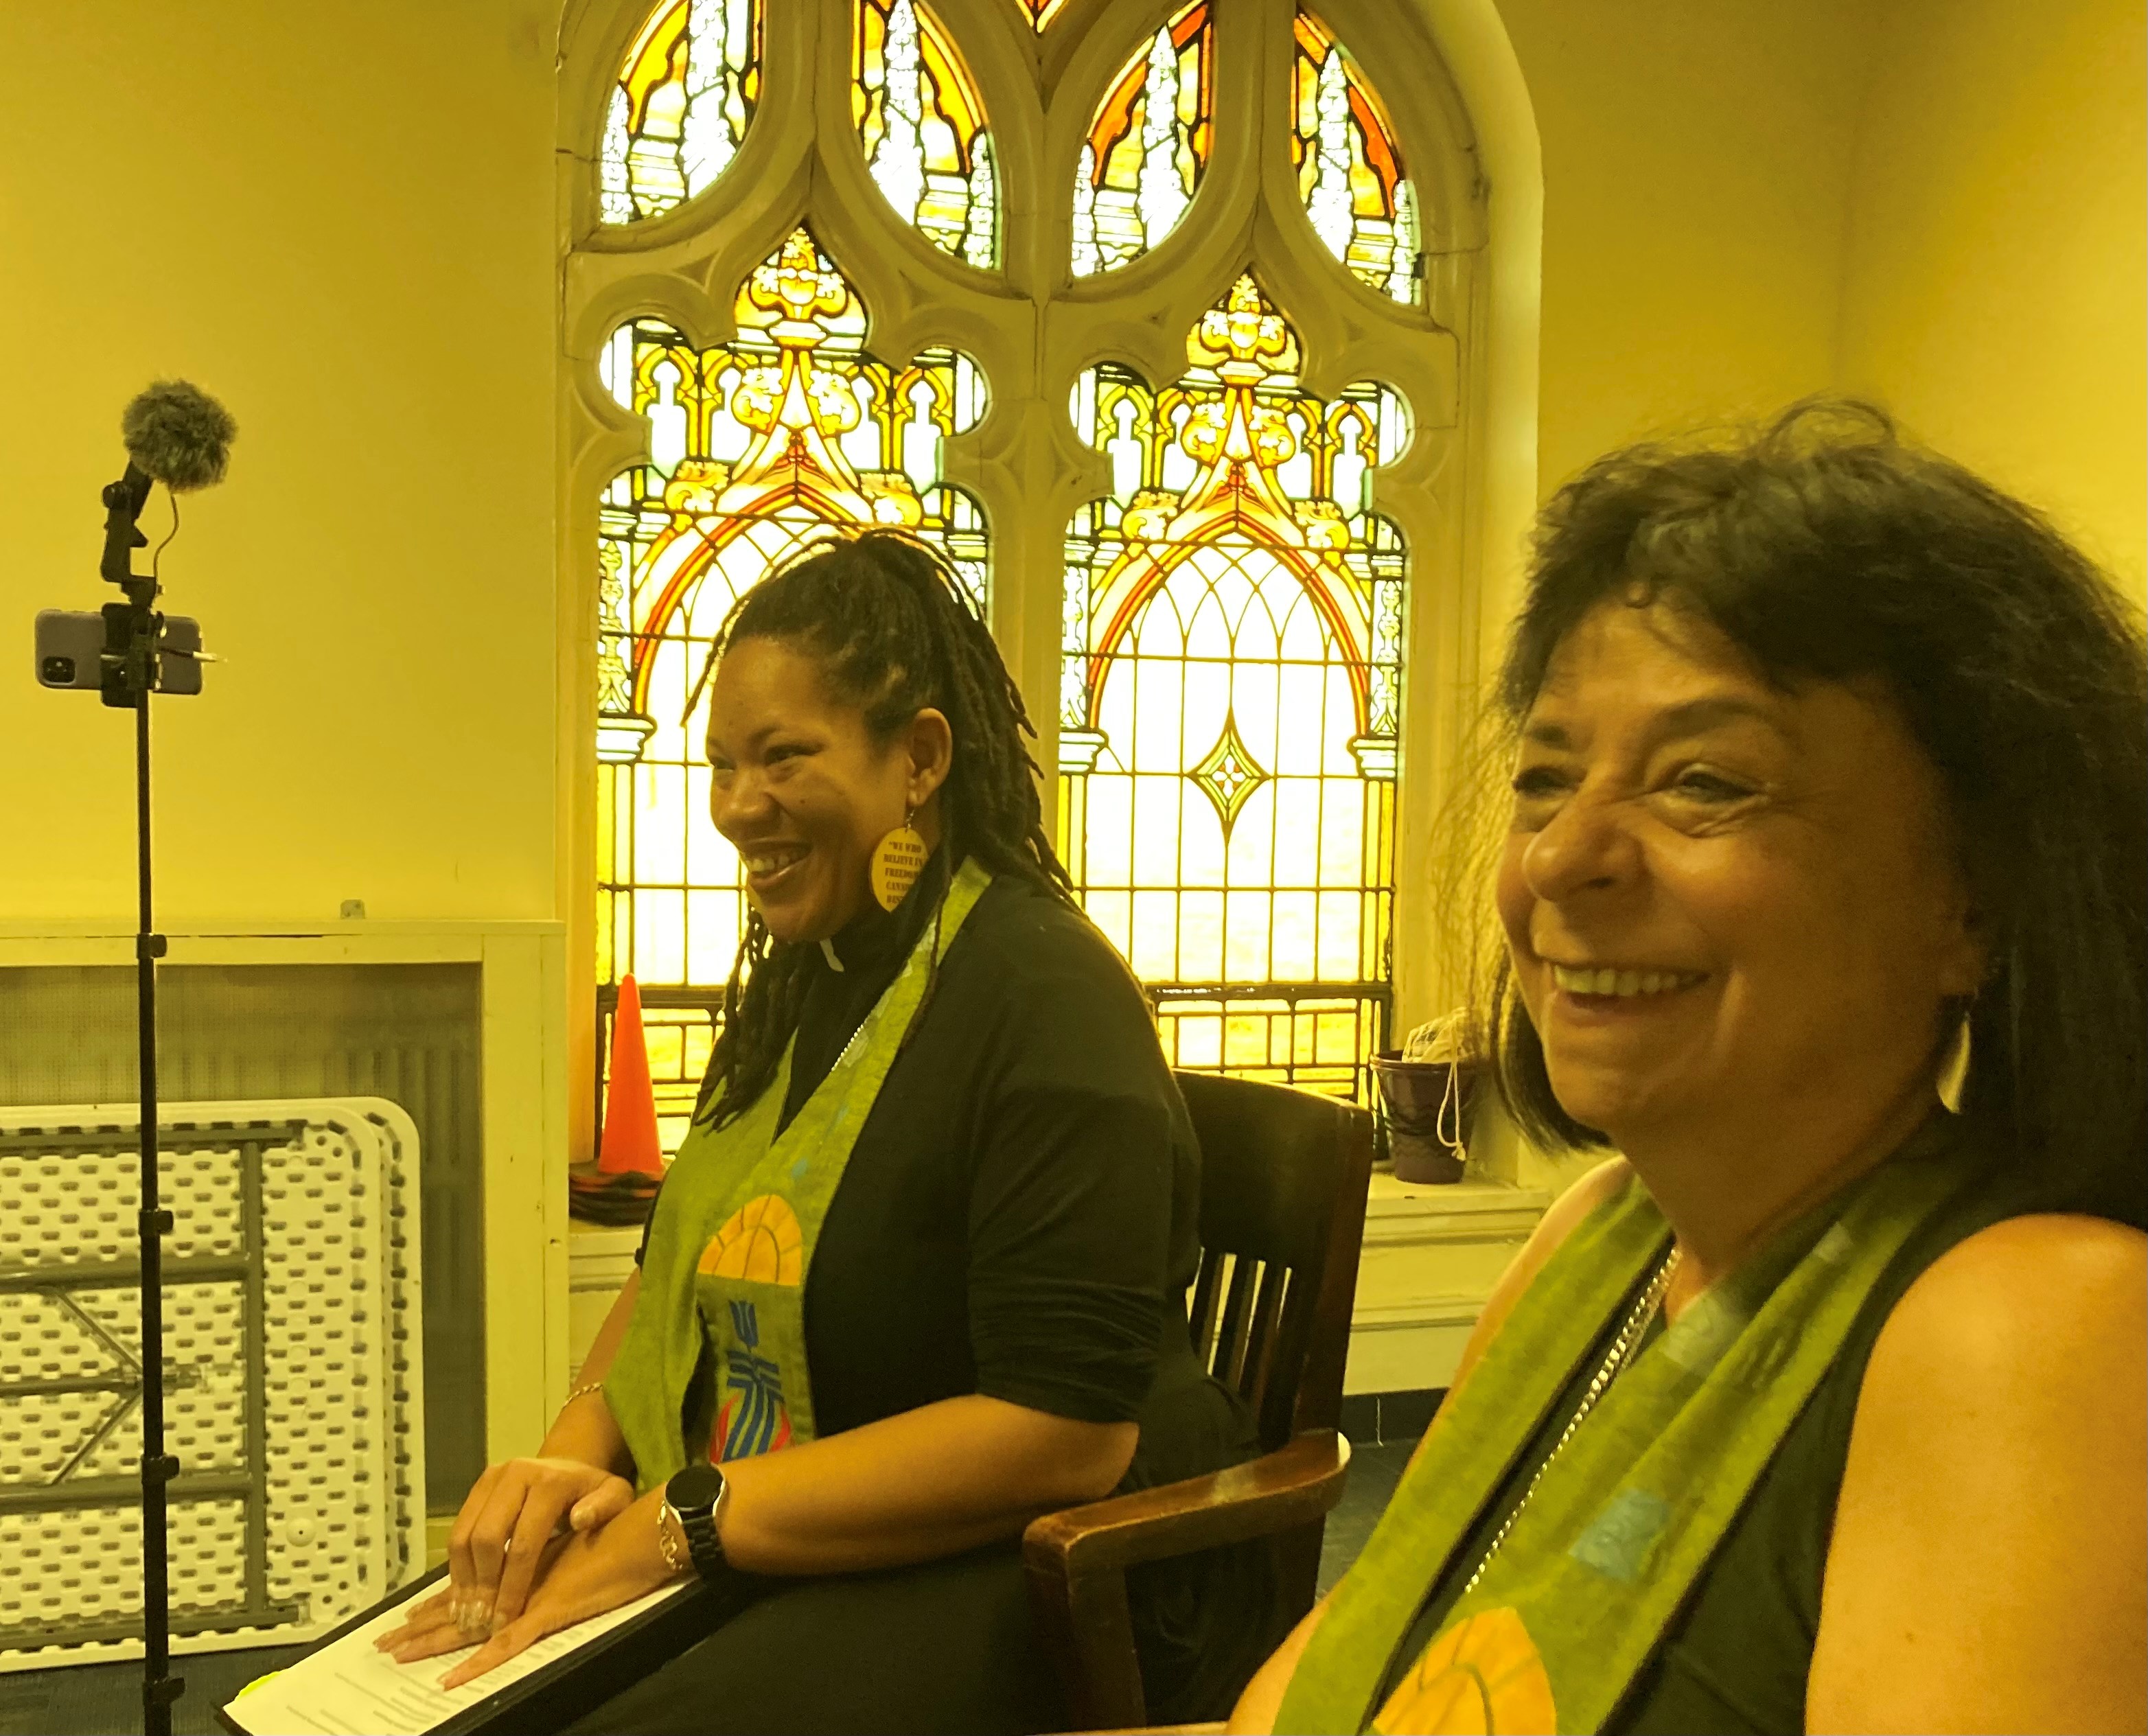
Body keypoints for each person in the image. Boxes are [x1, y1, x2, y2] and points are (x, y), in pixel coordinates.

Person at [1232, 400, 2147, 1735]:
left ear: (1975, 892)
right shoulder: (1594, 1239)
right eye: (1545, 778)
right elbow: (1333, 1680)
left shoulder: (2033, 1332)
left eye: (1704, 781)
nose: (1558, 857)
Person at [378, 531, 1275, 1731]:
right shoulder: (806, 981)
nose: (742, 806)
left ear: (919, 758)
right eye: (723, 765)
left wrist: (684, 1517)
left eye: (785, 757)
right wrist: (573, 1462)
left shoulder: (1043, 994)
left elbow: (1063, 1434)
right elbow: (675, 1271)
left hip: (1053, 1557)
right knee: (446, 1676)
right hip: (793, 1507)